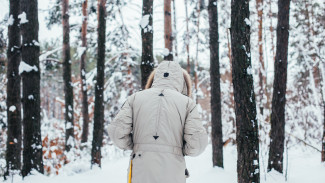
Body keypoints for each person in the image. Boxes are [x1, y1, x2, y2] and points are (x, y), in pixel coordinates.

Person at [108, 61, 208, 183]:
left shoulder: (135, 98)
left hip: (141, 170)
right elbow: (197, 144)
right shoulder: (187, 103)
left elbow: (116, 132)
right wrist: (178, 150)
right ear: (181, 81)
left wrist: (136, 146)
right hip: (173, 172)